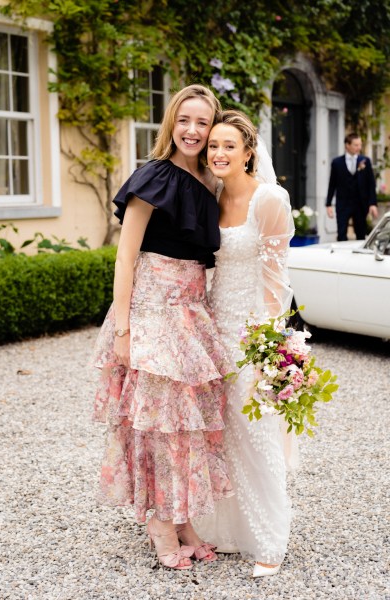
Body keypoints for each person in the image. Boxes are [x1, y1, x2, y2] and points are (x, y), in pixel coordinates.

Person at [92, 85, 234, 571]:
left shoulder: (211, 182)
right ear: (171, 122)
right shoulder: (154, 176)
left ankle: (183, 520)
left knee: (188, 428)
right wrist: (124, 332)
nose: (193, 131)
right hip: (153, 312)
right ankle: (159, 521)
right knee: (158, 426)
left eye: (203, 123)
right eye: (185, 120)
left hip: (191, 314)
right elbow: (126, 256)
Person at [194, 110, 296, 578]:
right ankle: (228, 529)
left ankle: (270, 538)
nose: (217, 153)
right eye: (213, 145)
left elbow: (278, 281)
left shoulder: (270, 199)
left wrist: (265, 350)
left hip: (251, 328)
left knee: (255, 431)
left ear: (248, 152)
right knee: (221, 431)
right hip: (213, 324)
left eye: (228, 145)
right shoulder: (210, 195)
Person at [326, 132, 378, 241]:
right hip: (343, 204)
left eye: (360, 145)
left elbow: (371, 184)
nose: (359, 148)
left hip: (360, 204)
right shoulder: (336, 163)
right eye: (356, 145)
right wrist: (328, 204)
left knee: (360, 234)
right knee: (341, 234)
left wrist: (372, 203)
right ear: (347, 145)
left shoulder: (365, 161)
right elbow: (332, 184)